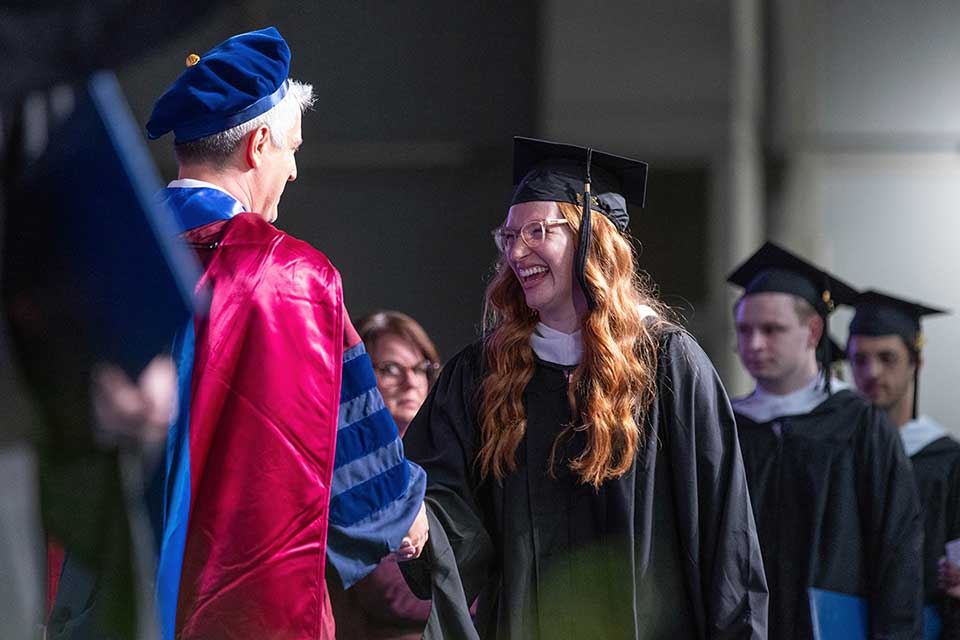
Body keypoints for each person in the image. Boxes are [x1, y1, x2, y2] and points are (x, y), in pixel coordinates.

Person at [400, 137, 768, 639]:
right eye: (508, 236)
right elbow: (443, 493)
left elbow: (726, 537)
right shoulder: (483, 374)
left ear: (592, 239)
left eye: (537, 231)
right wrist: (420, 523)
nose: (517, 251)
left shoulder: (666, 366)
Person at [145, 27, 427, 640]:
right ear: (258, 143)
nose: (294, 171)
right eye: (291, 150)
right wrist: (403, 511)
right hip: (241, 610)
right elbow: (362, 471)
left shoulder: (112, 253)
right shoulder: (294, 276)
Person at [728, 242, 923, 639]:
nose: (755, 345)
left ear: (813, 331)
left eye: (772, 329)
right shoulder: (727, 425)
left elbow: (897, 552)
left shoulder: (859, 425)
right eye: (745, 330)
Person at [847, 290, 959, 637]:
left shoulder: (946, 461)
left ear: (916, 363)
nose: (872, 372)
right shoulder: (838, 456)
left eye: (887, 357)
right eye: (859, 359)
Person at [330, 310, 441, 640]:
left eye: (422, 368)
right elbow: (391, 595)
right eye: (392, 369)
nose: (411, 381)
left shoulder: (444, 463)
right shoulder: (351, 473)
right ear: (359, 382)